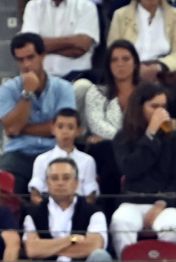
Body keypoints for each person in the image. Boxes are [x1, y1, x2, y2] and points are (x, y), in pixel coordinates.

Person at [17, 156, 111, 262]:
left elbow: (94, 246)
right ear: (47, 183)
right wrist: (71, 239)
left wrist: (48, 247)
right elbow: (33, 250)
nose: (60, 183)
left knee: (101, 257)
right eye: (54, 178)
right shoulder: (33, 213)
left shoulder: (94, 212)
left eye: (66, 178)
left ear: (76, 183)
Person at [111, 82, 176, 257]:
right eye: (154, 106)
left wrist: (161, 203)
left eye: (163, 107)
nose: (160, 112)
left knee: (172, 226)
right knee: (120, 222)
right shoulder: (123, 137)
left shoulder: (174, 138)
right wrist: (150, 134)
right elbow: (130, 168)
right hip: (133, 201)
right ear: (139, 108)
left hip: (166, 203)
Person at [0, 33, 76, 195]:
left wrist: (22, 128)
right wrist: (27, 93)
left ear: (42, 56)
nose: (26, 65)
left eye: (30, 57)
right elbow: (12, 129)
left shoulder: (64, 88)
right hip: (19, 153)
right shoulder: (8, 89)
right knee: (4, 182)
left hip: (55, 151)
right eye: (21, 60)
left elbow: (64, 127)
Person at [82, 40, 140, 203]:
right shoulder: (96, 91)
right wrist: (125, 139)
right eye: (114, 60)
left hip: (139, 147)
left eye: (125, 59)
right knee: (106, 149)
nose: (120, 64)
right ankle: (110, 206)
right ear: (108, 65)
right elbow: (96, 124)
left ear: (135, 63)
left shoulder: (146, 92)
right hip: (109, 150)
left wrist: (121, 139)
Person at [107, 0, 176, 83]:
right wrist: (135, 68)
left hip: (164, 78)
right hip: (129, 78)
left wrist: (159, 66)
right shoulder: (120, 15)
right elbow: (113, 52)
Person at [29, 108, 98, 202]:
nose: (65, 132)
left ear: (79, 131)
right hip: (48, 204)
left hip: (79, 205)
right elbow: (35, 191)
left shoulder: (87, 161)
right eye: (60, 127)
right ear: (53, 129)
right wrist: (46, 208)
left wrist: (81, 209)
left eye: (70, 127)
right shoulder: (41, 160)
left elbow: (90, 191)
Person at [20, 0, 99, 81]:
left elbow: (82, 45)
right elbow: (28, 45)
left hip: (78, 77)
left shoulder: (86, 6)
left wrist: (41, 49)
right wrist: (72, 42)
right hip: (41, 77)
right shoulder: (33, 6)